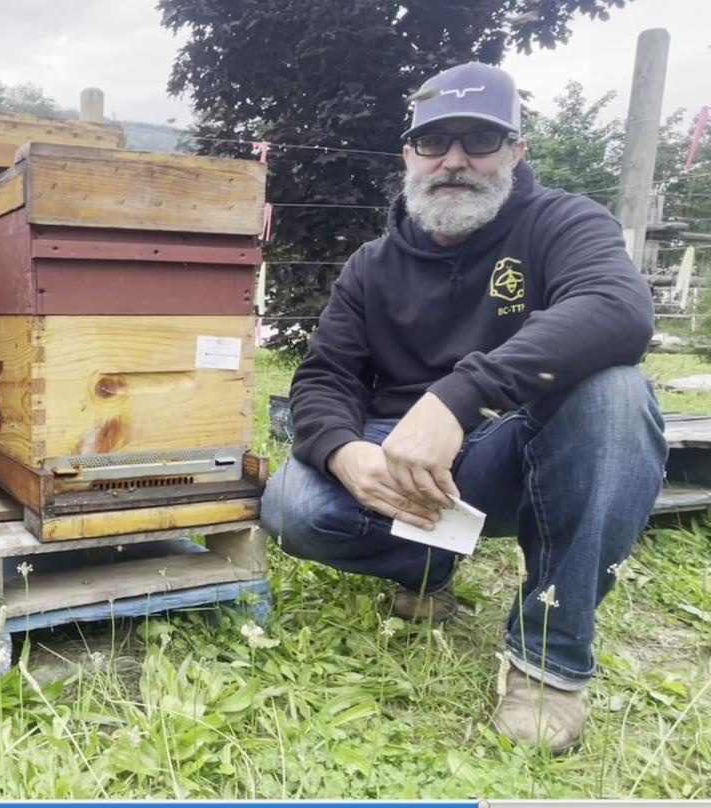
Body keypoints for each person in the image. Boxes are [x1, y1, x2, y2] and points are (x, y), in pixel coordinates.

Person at [259, 62, 667, 754]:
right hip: (397, 462)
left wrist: (457, 398)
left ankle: (550, 660)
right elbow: (325, 376)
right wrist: (343, 451)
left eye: (479, 139)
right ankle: (428, 568)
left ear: (516, 151)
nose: (455, 160)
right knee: (292, 508)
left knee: (615, 392)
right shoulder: (370, 266)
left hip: (517, 452)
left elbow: (619, 310)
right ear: (408, 156)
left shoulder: (564, 223)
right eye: (435, 142)